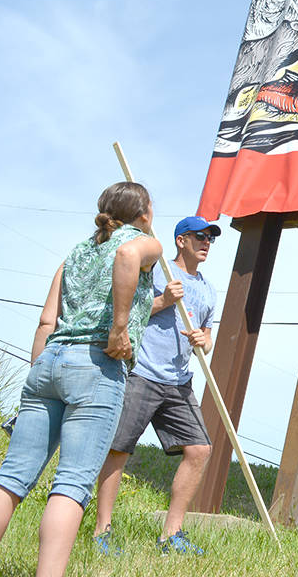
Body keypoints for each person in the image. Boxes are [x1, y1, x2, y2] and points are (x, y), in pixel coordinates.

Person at [0, 182, 161, 577]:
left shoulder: (76, 252)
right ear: (144, 213)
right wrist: (118, 328)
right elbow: (128, 254)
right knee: (72, 483)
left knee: (10, 476)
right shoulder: (145, 243)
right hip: (96, 368)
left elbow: (47, 320)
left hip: (49, 361)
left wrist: (37, 379)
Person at [92, 215, 220, 555]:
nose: (207, 242)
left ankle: (170, 535)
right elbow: (127, 311)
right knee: (119, 449)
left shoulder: (208, 289)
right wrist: (163, 300)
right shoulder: (160, 269)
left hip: (179, 381)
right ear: (181, 240)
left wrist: (202, 340)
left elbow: (208, 337)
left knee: (200, 450)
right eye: (200, 236)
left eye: (210, 238)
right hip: (143, 372)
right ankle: (101, 531)